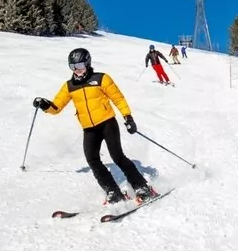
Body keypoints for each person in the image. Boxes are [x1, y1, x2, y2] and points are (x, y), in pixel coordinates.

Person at [33, 47, 159, 205]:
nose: (77, 70)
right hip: (89, 129)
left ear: (87, 63)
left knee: (118, 157)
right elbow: (56, 108)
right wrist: (45, 105)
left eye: (80, 66)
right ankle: (113, 191)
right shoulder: (69, 86)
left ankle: (142, 187)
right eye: (73, 67)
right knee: (92, 160)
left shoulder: (101, 79)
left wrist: (128, 117)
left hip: (107, 123)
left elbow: (118, 99)